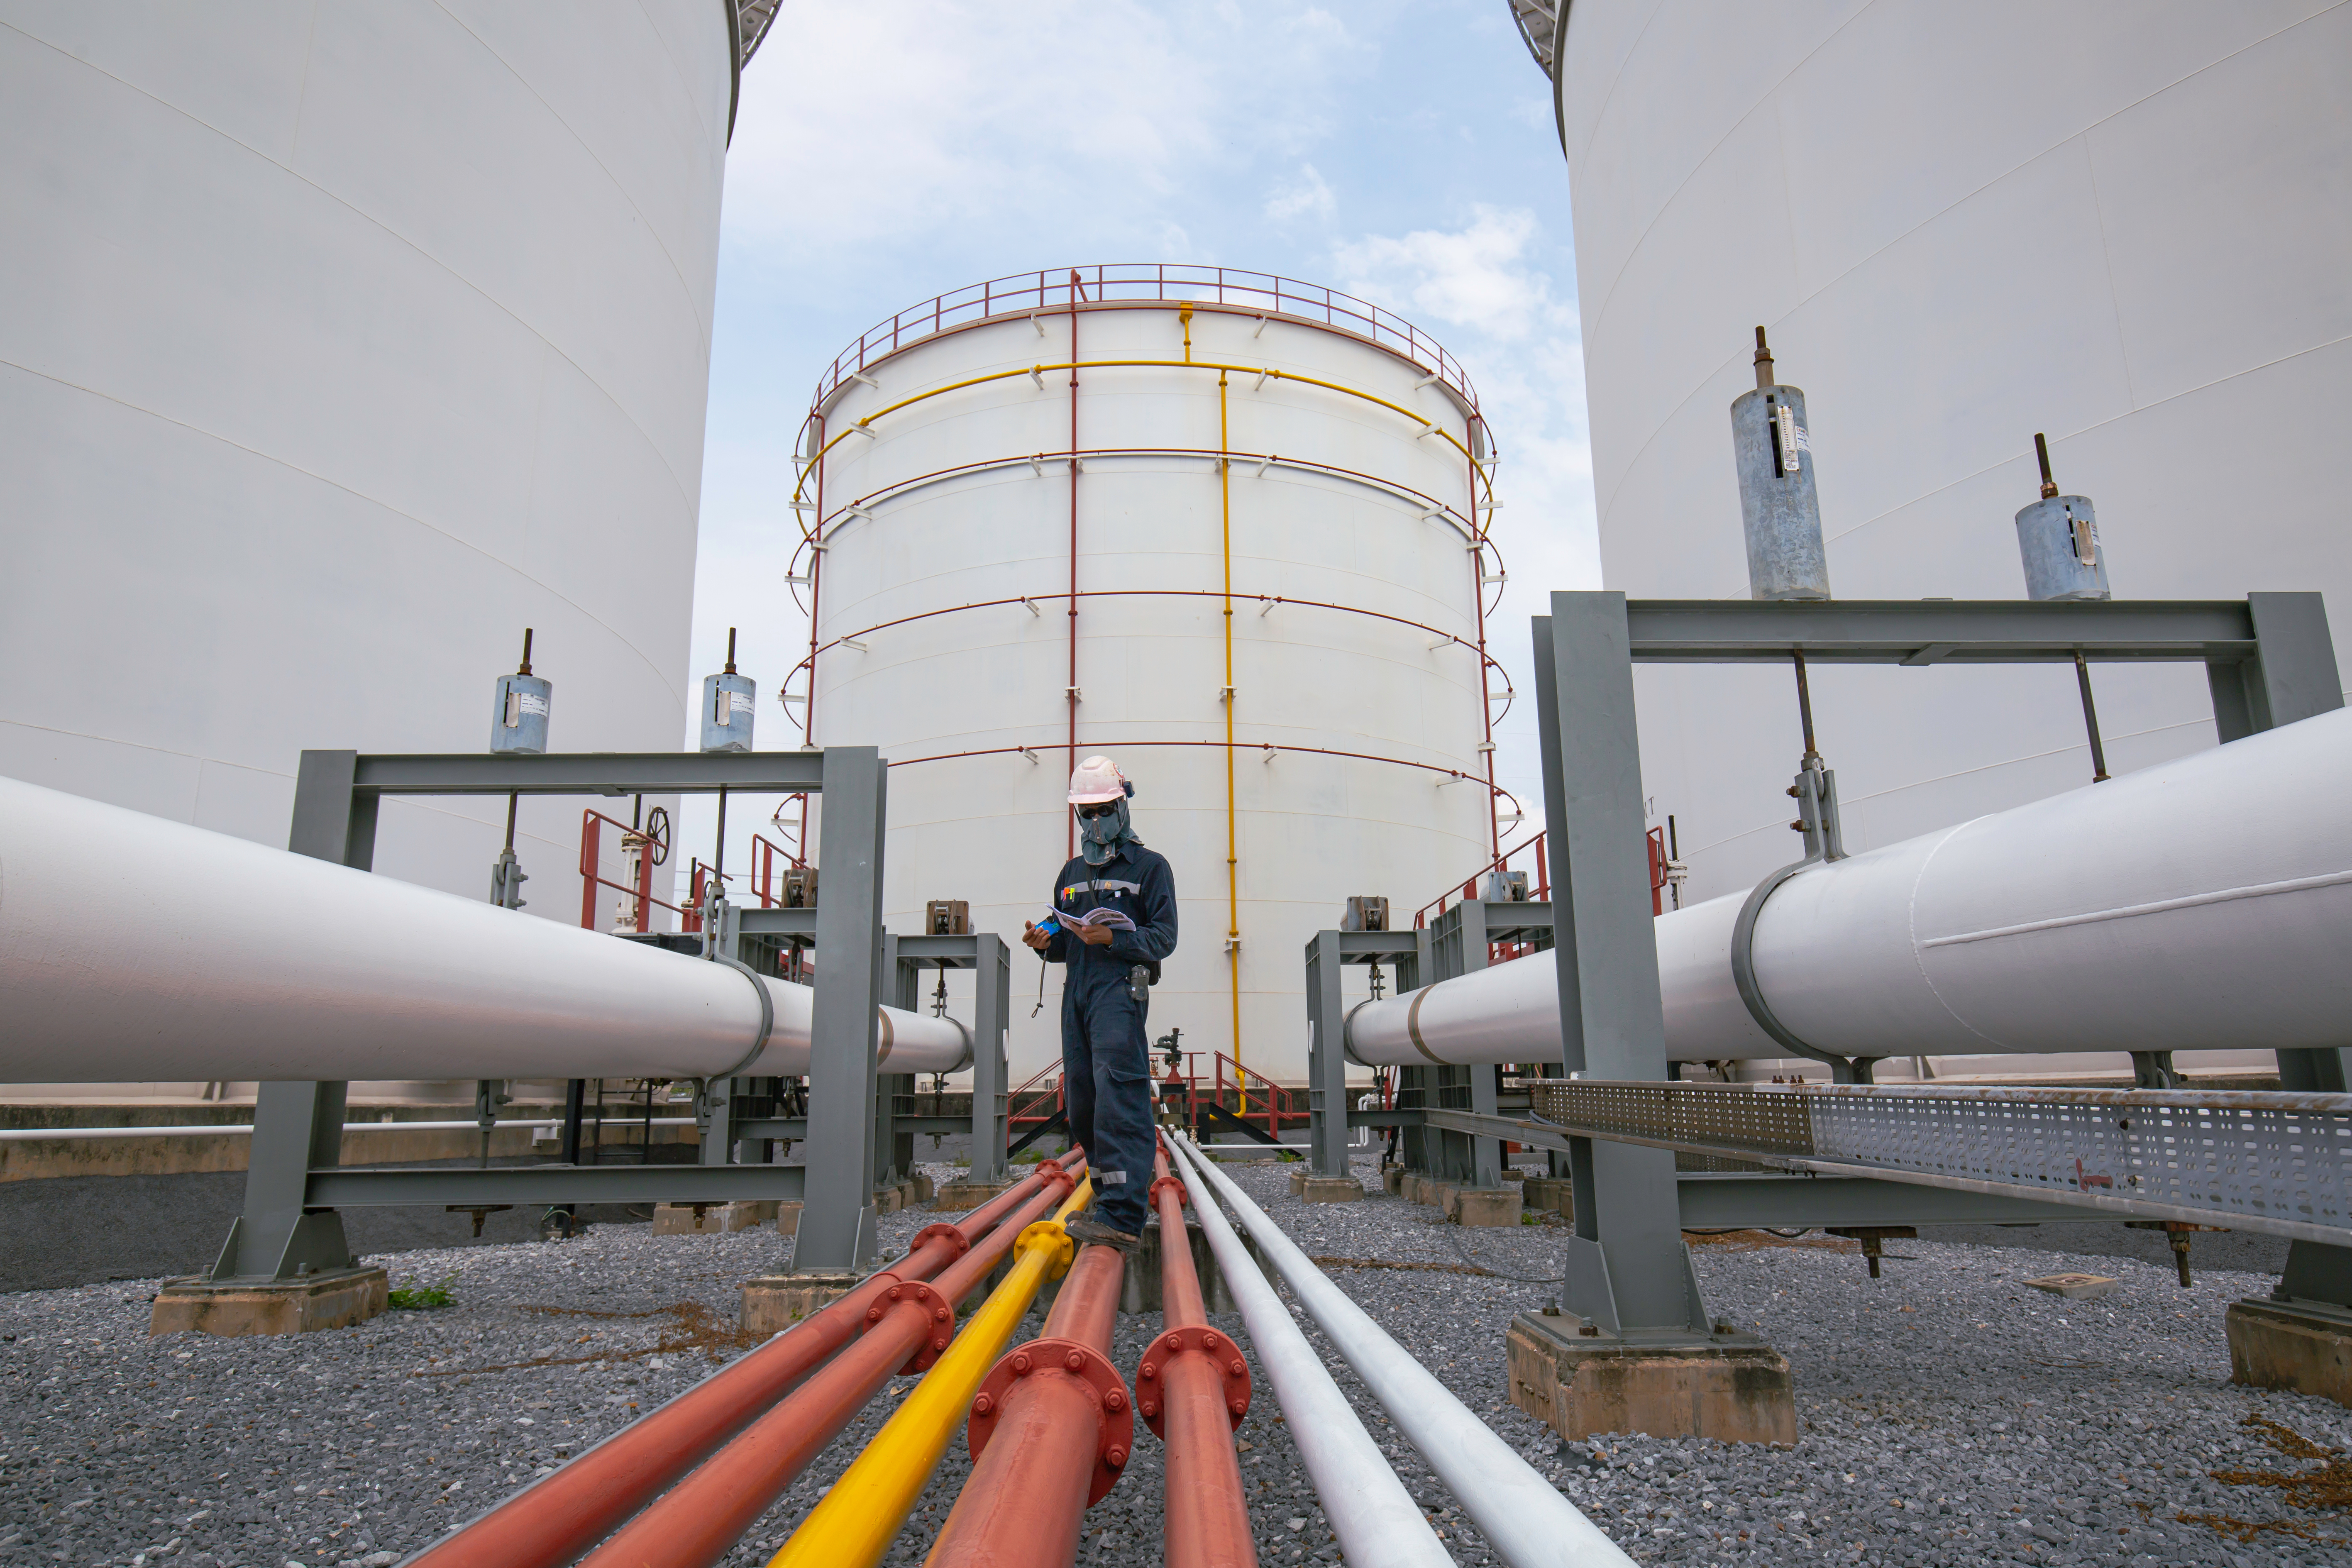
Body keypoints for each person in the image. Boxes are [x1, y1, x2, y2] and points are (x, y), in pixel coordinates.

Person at [1023, 756, 1177, 1250]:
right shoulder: (1070, 873)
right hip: (1079, 992)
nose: (1094, 822)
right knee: (1085, 1102)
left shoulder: (1150, 868)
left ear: (1123, 804)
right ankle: (1108, 1192)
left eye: (1103, 810)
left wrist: (1112, 938)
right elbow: (1065, 934)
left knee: (1119, 1097)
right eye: (1085, 812)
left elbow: (1164, 937)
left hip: (1119, 991)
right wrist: (1046, 939)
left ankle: (1123, 1215)